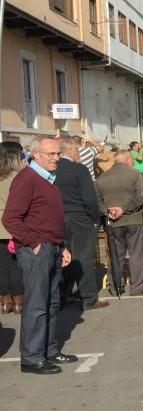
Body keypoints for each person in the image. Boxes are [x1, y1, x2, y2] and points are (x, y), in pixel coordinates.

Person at [2, 137, 77, 374]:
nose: (56, 158)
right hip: (37, 249)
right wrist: (34, 243)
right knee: (36, 304)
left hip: (51, 247)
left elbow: (48, 219)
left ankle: (48, 350)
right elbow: (10, 218)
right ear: (35, 154)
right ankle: (32, 357)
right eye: (51, 154)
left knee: (51, 302)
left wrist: (61, 246)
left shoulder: (46, 179)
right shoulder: (27, 179)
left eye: (58, 154)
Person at [56, 136, 108, 310]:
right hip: (79, 217)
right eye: (77, 150)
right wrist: (94, 219)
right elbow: (89, 199)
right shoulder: (79, 169)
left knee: (62, 256)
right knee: (83, 257)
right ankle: (89, 298)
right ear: (70, 151)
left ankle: (62, 294)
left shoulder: (51, 169)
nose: (78, 153)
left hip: (57, 218)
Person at [96, 150, 143, 296]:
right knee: (137, 254)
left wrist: (108, 211)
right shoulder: (136, 175)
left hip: (113, 222)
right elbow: (142, 196)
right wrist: (123, 209)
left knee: (115, 255)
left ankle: (115, 287)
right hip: (135, 220)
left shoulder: (101, 178)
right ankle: (138, 287)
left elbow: (96, 200)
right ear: (127, 160)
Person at [0, 143, 26, 314]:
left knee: (1, 265)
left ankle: (5, 301)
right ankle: (18, 301)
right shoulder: (21, 177)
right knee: (16, 264)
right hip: (15, 224)